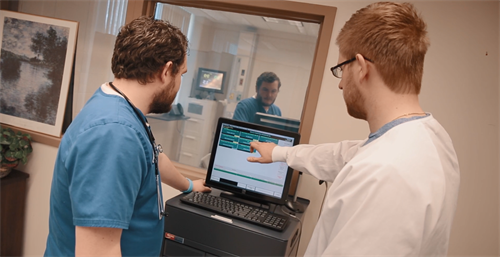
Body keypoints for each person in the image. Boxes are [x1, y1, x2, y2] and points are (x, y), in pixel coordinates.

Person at [247, 2, 460, 256]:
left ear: (361, 67)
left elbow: (364, 164)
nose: (340, 85)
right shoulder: (429, 138)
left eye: (341, 69)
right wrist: (280, 153)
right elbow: (343, 156)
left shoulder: (383, 172)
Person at [44, 16, 211, 257]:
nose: (179, 83)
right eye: (181, 74)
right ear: (166, 71)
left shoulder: (119, 105)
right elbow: (97, 252)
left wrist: (188, 185)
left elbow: (153, 155)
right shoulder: (114, 134)